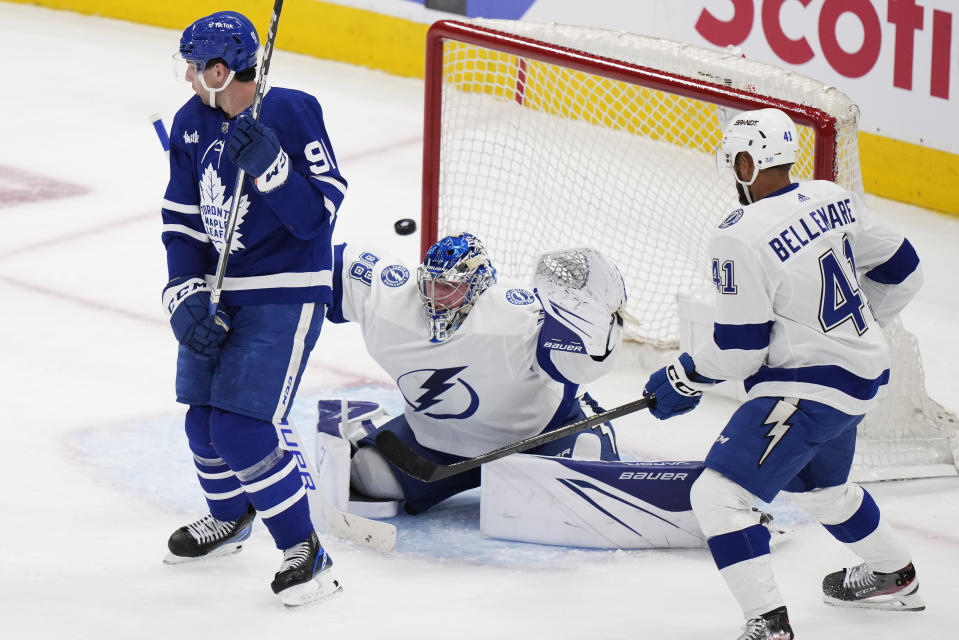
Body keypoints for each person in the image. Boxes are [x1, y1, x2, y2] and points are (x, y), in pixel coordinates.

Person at [643, 108, 925, 639]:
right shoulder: (830, 197)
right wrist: (854, 329)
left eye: (735, 164)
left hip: (809, 389)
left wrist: (683, 374)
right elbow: (904, 269)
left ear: (746, 164)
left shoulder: (739, 234)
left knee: (717, 495)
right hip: (860, 379)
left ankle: (768, 624)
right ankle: (893, 573)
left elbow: (741, 350)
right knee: (824, 492)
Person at [159, 11, 347, 607]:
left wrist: (273, 170)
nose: (186, 75)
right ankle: (230, 516)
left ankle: (307, 553)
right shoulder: (192, 123)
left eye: (193, 65)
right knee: (202, 424)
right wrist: (181, 291)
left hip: (286, 290)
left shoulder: (289, 111)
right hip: (219, 290)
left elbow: (317, 216)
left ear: (220, 69)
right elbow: (183, 224)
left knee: (241, 428)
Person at [320, 233, 626, 516]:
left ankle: (588, 435)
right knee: (369, 475)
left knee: (581, 479)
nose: (436, 298)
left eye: (450, 288)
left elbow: (574, 369)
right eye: (431, 284)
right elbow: (324, 267)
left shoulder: (516, 319)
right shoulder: (392, 302)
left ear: (477, 288)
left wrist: (599, 332)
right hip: (436, 442)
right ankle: (375, 427)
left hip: (537, 436)